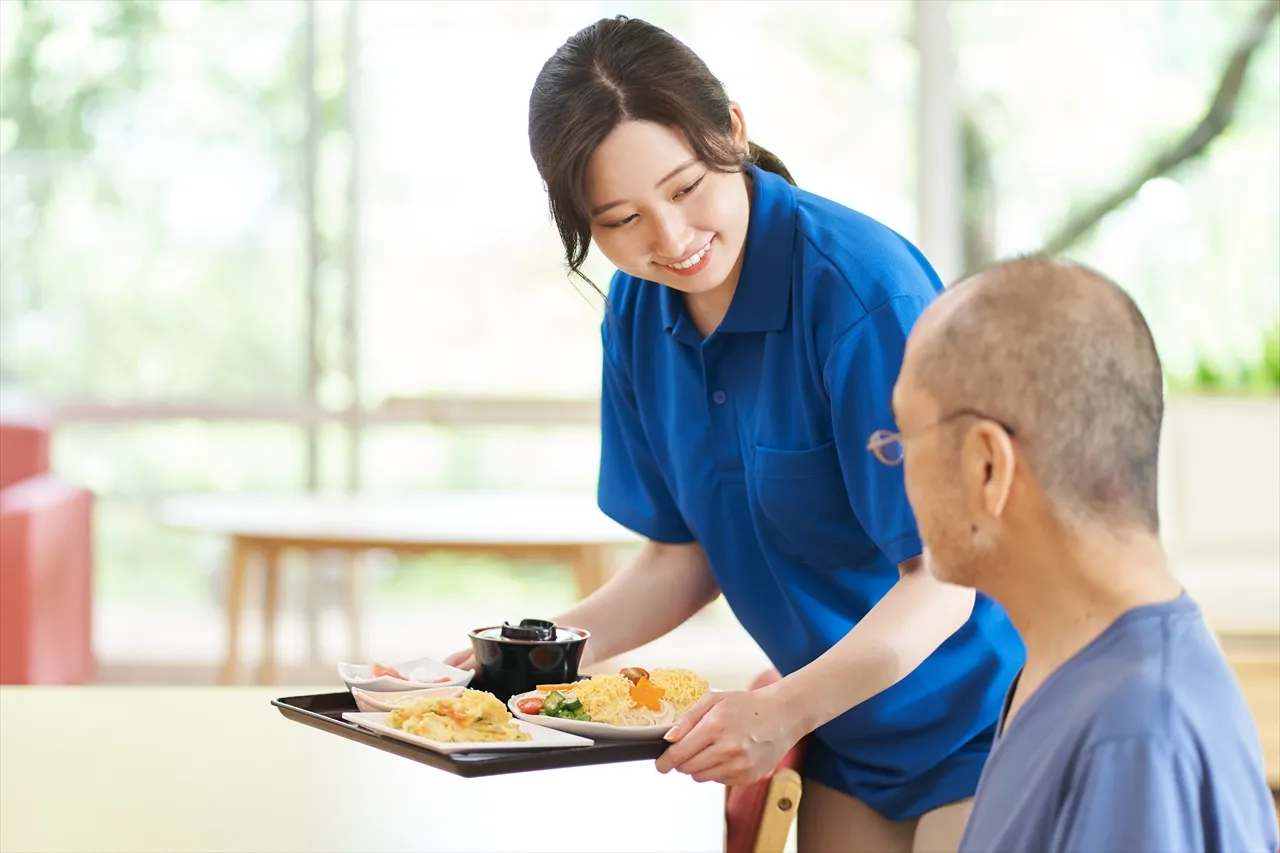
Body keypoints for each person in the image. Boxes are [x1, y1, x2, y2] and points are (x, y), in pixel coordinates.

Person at [447, 16, 1025, 852]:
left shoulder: (862, 294)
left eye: (685, 190)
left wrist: (781, 710)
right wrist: (503, 669)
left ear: (734, 133)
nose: (671, 241)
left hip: (991, 720)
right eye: (621, 220)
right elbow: (683, 558)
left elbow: (944, 579)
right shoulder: (639, 316)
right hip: (847, 732)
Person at [886, 255, 1280, 853]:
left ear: (987, 465)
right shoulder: (1063, 662)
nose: (896, 473)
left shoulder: (1138, 733)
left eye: (901, 442)